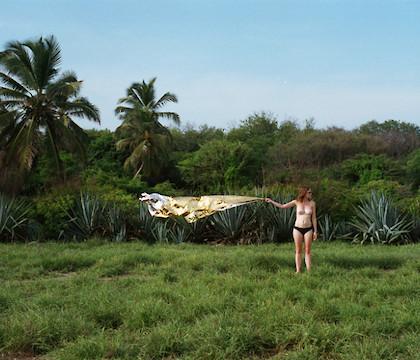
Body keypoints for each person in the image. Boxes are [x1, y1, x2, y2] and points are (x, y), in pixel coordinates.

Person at [265, 187, 317, 273]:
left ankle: (309, 271)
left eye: (311, 192)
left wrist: (315, 231)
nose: (311, 194)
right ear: (304, 193)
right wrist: (271, 201)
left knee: (307, 251)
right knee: (298, 250)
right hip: (297, 229)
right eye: (309, 192)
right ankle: (298, 270)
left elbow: (314, 218)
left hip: (308, 229)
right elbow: (282, 206)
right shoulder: (296, 202)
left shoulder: (312, 204)